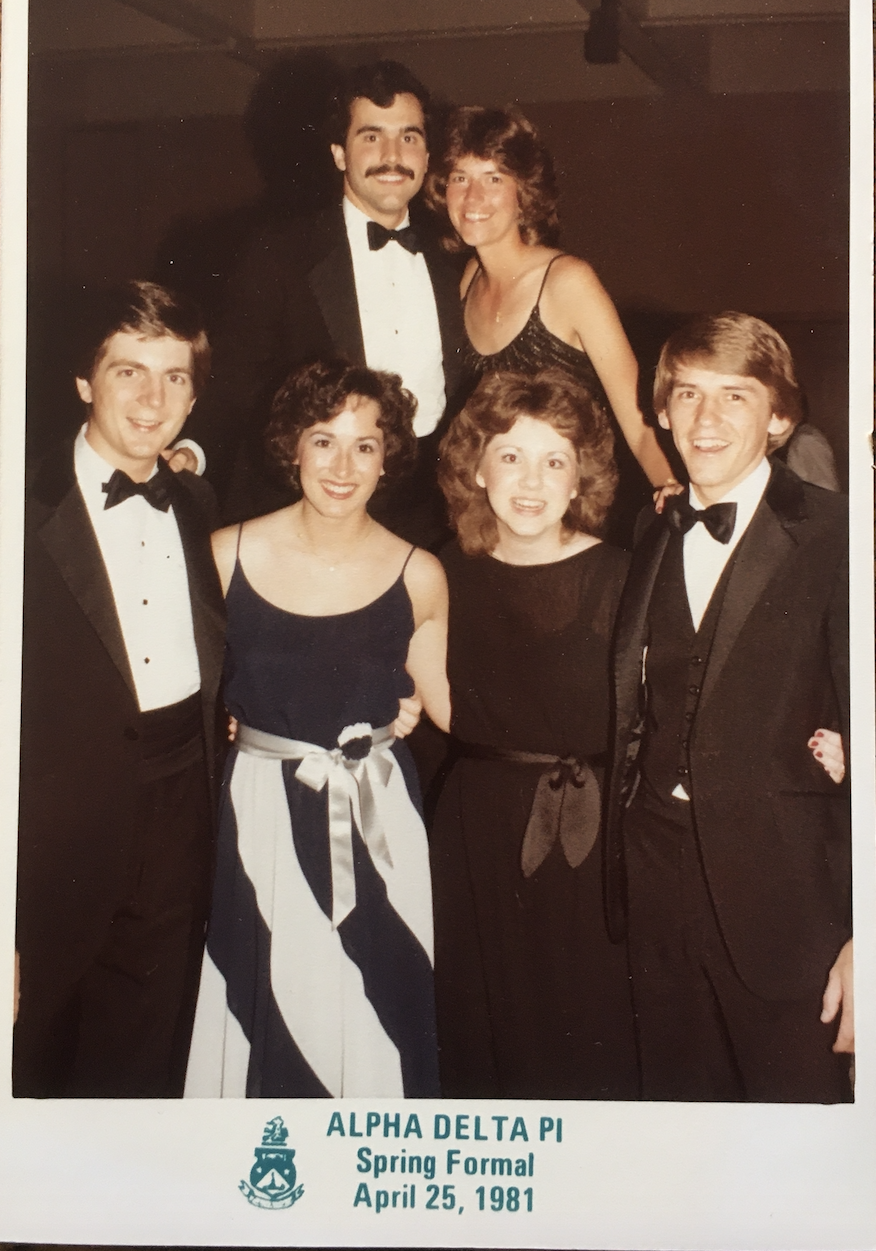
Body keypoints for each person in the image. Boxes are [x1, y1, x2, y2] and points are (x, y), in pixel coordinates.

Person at [183, 359, 450, 1098]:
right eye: (323, 441)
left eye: (365, 446)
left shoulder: (420, 572)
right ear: (292, 447)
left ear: (387, 458)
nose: (342, 466)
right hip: (259, 816)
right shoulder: (227, 553)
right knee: (264, 1008)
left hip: (378, 818)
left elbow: (453, 707)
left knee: (378, 1016)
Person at [605, 311, 852, 1104]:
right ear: (662, 411)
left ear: (778, 418)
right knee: (682, 1132)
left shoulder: (840, 536)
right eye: (687, 393)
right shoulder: (651, 527)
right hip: (655, 878)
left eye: (735, 396)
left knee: (798, 1132)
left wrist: (866, 935)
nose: (706, 418)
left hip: (791, 905)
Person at [15, 281, 226, 1098]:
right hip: (50, 833)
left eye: (174, 378)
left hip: (178, 808)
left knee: (139, 1062)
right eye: (128, 372)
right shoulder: (19, 509)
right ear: (83, 381)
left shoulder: (196, 501)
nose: (152, 399)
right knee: (31, 1058)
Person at [429, 368, 639, 1100]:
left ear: (580, 479)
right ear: (476, 468)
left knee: (589, 1034)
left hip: (594, 830)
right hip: (475, 834)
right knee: (481, 1034)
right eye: (510, 455)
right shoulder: (438, 571)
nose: (530, 480)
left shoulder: (626, 576)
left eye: (555, 461)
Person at [187, 59, 465, 544]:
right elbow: (232, 377)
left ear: (426, 156)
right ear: (339, 153)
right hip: (307, 514)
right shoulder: (280, 253)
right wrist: (193, 449)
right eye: (371, 136)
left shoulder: (456, 261)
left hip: (430, 521)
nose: (393, 155)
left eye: (409, 137)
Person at [425, 105, 678, 500]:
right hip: (500, 505)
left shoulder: (568, 282)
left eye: (494, 178)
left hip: (570, 504)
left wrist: (672, 493)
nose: (473, 196)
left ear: (524, 195)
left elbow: (640, 423)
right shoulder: (469, 278)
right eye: (460, 177)